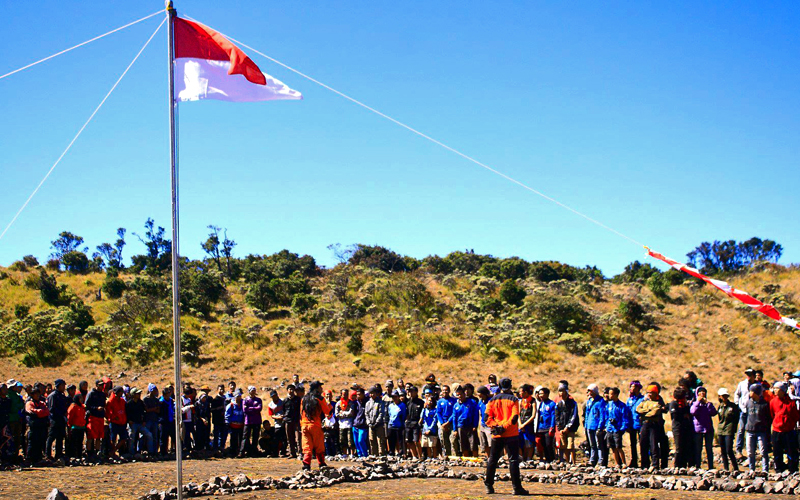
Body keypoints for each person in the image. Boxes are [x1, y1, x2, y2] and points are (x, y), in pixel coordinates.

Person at [484, 377, 528, 496]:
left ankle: (488, 485)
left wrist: (496, 426)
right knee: (513, 460)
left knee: (492, 459)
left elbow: (486, 418)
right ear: (510, 386)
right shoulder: (514, 400)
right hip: (511, 434)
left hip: (497, 434)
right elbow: (514, 418)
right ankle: (516, 487)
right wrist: (504, 427)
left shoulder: (492, 400)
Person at [300, 381, 331, 470]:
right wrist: (328, 404)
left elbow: (300, 413)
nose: (322, 389)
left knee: (307, 445)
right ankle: (321, 463)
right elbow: (327, 412)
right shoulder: (320, 399)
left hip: (304, 425)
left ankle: (306, 464)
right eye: (320, 387)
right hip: (315, 425)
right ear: (316, 388)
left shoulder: (304, 399)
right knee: (319, 445)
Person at [769, 381, 799, 473]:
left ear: (782, 390)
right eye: (774, 388)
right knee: (777, 452)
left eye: (776, 388)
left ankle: (792, 470)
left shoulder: (791, 403)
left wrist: (790, 425)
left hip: (789, 431)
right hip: (777, 431)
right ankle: (779, 470)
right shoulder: (773, 402)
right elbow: (772, 414)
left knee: (791, 451)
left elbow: (795, 416)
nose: (774, 390)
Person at [636, 384, 666, 469]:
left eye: (651, 393)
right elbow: (638, 409)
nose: (649, 394)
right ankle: (644, 464)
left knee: (653, 444)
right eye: (648, 392)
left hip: (653, 425)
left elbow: (654, 413)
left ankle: (655, 464)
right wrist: (648, 410)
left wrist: (644, 413)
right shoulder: (644, 402)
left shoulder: (658, 403)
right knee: (643, 443)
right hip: (644, 424)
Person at [745, 383, 770, 471]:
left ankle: (765, 470)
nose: (749, 393)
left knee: (763, 452)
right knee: (750, 452)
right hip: (750, 430)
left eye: (751, 391)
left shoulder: (765, 404)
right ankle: (752, 470)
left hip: (761, 431)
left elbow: (768, 419)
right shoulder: (748, 403)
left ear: (755, 392)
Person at [690, 386, 717, 469]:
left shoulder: (708, 404)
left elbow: (713, 412)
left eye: (703, 392)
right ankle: (698, 466)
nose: (702, 393)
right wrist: (698, 402)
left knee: (709, 449)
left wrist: (708, 403)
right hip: (698, 430)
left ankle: (711, 466)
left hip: (708, 429)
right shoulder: (694, 403)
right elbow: (693, 411)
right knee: (698, 448)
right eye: (700, 392)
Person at [45, 378, 70, 461]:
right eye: (62, 385)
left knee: (60, 437)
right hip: (54, 419)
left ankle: (58, 454)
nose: (64, 387)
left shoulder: (62, 396)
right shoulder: (53, 396)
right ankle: (48, 454)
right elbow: (51, 409)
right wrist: (60, 414)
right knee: (51, 437)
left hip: (61, 420)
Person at [604, 387, 630, 467]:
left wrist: (622, 429)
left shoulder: (622, 406)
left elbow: (625, 418)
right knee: (612, 448)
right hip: (610, 429)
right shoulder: (609, 404)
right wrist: (606, 425)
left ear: (616, 394)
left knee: (619, 447)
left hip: (617, 429)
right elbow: (606, 416)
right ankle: (617, 463)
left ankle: (624, 463)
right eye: (609, 393)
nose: (610, 395)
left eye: (611, 394)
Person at [451, 385, 479, 457]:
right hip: (461, 426)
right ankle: (466, 458)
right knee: (463, 444)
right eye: (458, 395)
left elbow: (476, 415)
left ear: (464, 394)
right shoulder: (456, 405)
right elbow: (454, 418)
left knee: (473, 444)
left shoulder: (472, 402)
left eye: (461, 394)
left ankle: (475, 457)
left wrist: (475, 425)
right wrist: (455, 429)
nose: (460, 396)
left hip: (470, 426)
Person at [668, 387, 693, 468]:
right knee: (679, 447)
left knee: (685, 446)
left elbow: (688, 413)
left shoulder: (685, 404)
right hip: (677, 427)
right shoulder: (674, 404)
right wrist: (683, 414)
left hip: (686, 427)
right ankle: (677, 465)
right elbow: (675, 416)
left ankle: (684, 464)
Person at [716, 387, 740, 471]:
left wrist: (734, 429)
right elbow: (719, 418)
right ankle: (726, 468)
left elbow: (736, 419)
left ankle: (735, 468)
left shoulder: (733, 406)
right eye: (723, 396)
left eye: (726, 396)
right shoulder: (720, 407)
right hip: (721, 430)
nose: (724, 397)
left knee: (729, 449)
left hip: (729, 430)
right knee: (723, 451)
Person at [734, 368, 756, 457]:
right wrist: (737, 404)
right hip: (743, 410)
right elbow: (737, 394)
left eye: (750, 374)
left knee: (752, 430)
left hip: (753, 411)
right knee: (741, 429)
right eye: (747, 374)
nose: (748, 376)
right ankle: (738, 449)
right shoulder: (742, 384)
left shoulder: (757, 385)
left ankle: (751, 449)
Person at [555, 383, 579, 464]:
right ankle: (568, 462)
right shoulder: (559, 404)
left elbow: (573, 416)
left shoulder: (572, 403)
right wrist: (560, 428)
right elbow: (557, 417)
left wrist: (568, 427)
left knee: (570, 445)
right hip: (562, 428)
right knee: (564, 445)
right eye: (559, 391)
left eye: (562, 391)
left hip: (570, 428)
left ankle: (574, 462)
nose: (561, 393)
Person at [25, 387, 50, 464]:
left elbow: (47, 411)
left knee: (40, 442)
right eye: (36, 394)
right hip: (33, 426)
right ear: (32, 395)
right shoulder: (29, 403)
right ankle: (29, 459)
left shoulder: (42, 403)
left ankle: (38, 458)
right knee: (32, 443)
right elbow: (31, 411)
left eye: (38, 393)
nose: (38, 395)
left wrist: (39, 412)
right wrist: (40, 412)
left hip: (41, 426)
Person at [583, 384, 605, 466]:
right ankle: (592, 460)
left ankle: (600, 460)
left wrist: (600, 426)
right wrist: (586, 424)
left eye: (589, 391)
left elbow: (602, 415)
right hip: (589, 425)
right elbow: (587, 414)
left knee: (599, 444)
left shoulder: (600, 401)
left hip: (596, 426)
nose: (588, 393)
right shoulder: (589, 401)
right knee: (592, 445)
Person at [126, 388, 153, 455]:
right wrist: (129, 420)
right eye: (137, 394)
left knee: (149, 435)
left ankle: (151, 452)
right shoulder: (129, 403)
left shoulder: (140, 403)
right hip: (133, 424)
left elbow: (144, 412)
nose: (139, 395)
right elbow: (127, 413)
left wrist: (144, 421)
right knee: (132, 438)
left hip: (140, 424)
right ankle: (131, 453)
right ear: (133, 394)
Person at [535, 387, 557, 462]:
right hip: (541, 427)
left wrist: (552, 427)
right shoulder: (541, 404)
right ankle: (546, 459)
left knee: (549, 445)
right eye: (539, 394)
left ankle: (551, 459)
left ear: (547, 394)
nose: (540, 395)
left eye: (542, 394)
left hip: (548, 428)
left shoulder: (552, 404)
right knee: (543, 445)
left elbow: (553, 416)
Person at [625, 381, 644, 468]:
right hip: (631, 424)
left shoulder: (642, 399)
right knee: (632, 443)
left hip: (640, 424)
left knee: (643, 443)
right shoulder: (629, 400)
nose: (632, 388)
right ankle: (634, 460)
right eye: (631, 386)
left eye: (634, 387)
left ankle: (644, 460)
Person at [436, 385, 458, 457]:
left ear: (449, 391)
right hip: (443, 424)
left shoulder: (454, 400)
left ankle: (455, 455)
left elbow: (454, 412)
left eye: (446, 390)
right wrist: (442, 423)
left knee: (453, 440)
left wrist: (448, 422)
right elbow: (438, 413)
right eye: (443, 390)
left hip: (451, 423)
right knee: (444, 440)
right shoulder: (440, 401)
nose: (445, 391)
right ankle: (447, 455)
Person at [107, 386, 128, 459]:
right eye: (121, 392)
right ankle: (112, 452)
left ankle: (114, 451)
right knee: (113, 438)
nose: (122, 393)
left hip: (122, 421)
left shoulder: (122, 401)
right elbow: (108, 412)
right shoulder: (111, 401)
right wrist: (112, 417)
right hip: (114, 422)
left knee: (124, 438)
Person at [241, 386, 262, 457]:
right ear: (249, 391)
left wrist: (250, 408)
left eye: (254, 390)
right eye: (251, 390)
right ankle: (242, 451)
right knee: (245, 437)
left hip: (257, 421)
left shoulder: (258, 400)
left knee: (255, 437)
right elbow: (245, 410)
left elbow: (259, 408)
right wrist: (254, 409)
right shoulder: (245, 400)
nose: (253, 392)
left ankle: (254, 452)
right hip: (248, 421)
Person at [365, 386, 387, 456]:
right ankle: (374, 454)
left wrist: (377, 422)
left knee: (380, 440)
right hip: (370, 425)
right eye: (370, 393)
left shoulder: (380, 402)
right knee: (371, 440)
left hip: (379, 425)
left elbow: (381, 413)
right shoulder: (368, 403)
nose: (372, 395)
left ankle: (381, 454)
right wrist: (369, 422)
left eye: (373, 393)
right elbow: (366, 413)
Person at [6, 381, 25, 461]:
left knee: (17, 438)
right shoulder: (9, 395)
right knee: (11, 438)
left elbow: (21, 405)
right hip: (11, 420)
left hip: (17, 419)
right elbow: (14, 407)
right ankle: (10, 456)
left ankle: (15, 456)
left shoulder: (17, 395)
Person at [517, 384, 536, 461]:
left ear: (525, 392)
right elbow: (518, 413)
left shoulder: (532, 401)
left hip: (528, 425)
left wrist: (524, 424)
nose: (520, 394)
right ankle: (521, 458)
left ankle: (529, 458)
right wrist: (520, 424)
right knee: (519, 442)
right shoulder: (520, 401)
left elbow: (533, 415)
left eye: (521, 392)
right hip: (520, 425)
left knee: (529, 443)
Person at [405, 386, 424, 459]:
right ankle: (414, 456)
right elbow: (406, 413)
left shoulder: (420, 402)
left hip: (417, 423)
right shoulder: (408, 402)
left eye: (412, 391)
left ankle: (420, 456)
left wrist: (420, 422)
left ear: (416, 392)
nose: (410, 393)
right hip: (409, 423)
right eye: (409, 391)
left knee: (416, 441)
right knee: (409, 441)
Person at [266, 390, 287, 456]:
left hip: (284, 422)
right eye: (273, 396)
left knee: (285, 438)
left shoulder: (283, 402)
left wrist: (283, 416)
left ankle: (283, 452)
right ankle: (275, 453)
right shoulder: (270, 405)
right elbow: (271, 415)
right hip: (277, 424)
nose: (274, 397)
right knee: (276, 439)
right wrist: (278, 418)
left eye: (275, 395)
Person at [335, 389, 355, 455]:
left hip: (349, 424)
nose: (345, 396)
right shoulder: (338, 403)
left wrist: (342, 413)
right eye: (344, 394)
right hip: (341, 424)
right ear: (341, 395)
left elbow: (351, 413)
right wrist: (346, 413)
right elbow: (337, 414)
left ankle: (352, 454)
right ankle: (344, 454)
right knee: (342, 440)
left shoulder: (351, 403)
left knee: (350, 440)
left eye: (346, 394)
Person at [387, 389, 407, 456]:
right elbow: (389, 414)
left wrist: (402, 422)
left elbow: (404, 415)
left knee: (400, 440)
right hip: (391, 425)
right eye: (393, 397)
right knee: (391, 440)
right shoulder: (390, 406)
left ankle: (401, 452)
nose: (394, 398)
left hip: (399, 425)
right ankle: (391, 452)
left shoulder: (402, 405)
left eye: (395, 397)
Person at [66, 394, 86, 459]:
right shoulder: (73, 406)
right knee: (73, 442)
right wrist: (69, 426)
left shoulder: (82, 407)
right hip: (74, 427)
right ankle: (72, 456)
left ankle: (79, 456)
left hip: (81, 427)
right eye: (80, 398)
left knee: (80, 443)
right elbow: (69, 417)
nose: (82, 399)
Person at [225, 389, 245, 456]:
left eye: (239, 396)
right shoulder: (231, 405)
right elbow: (227, 415)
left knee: (241, 439)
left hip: (241, 425)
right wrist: (228, 423)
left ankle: (240, 452)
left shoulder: (243, 404)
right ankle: (233, 452)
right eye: (237, 396)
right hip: (233, 425)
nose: (238, 398)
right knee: (233, 439)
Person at [421, 390, 439, 459]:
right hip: (425, 429)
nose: (430, 402)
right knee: (427, 444)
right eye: (428, 401)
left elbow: (435, 421)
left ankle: (434, 457)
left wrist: (430, 429)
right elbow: (423, 419)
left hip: (432, 430)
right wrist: (424, 408)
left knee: (433, 444)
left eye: (431, 401)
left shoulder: (435, 410)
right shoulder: (425, 410)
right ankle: (429, 457)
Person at [283, 385, 301, 458]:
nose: (291, 391)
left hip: (296, 420)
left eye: (292, 389)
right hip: (288, 420)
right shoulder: (285, 400)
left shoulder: (298, 399)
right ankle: (292, 453)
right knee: (289, 438)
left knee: (298, 438)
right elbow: (284, 410)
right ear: (287, 390)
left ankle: (300, 453)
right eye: (290, 389)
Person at [143, 385, 161, 455]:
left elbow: (158, 410)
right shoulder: (145, 399)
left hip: (155, 420)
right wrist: (154, 409)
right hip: (148, 420)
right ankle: (148, 450)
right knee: (147, 435)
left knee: (155, 436)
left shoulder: (156, 400)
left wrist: (151, 409)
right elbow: (146, 410)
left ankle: (155, 451)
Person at [210, 385, 228, 454]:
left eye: (223, 389)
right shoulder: (215, 399)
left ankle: (222, 447)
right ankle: (215, 448)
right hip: (217, 419)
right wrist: (219, 408)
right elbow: (212, 410)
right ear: (217, 390)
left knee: (223, 434)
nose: (222, 390)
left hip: (224, 419)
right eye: (220, 389)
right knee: (216, 434)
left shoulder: (225, 399)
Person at [159, 386, 176, 455]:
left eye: (169, 393)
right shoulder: (161, 402)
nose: (169, 395)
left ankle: (175, 450)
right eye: (167, 394)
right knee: (163, 438)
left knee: (174, 436)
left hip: (171, 421)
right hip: (163, 422)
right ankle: (163, 452)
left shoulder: (171, 401)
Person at [352, 388, 369, 457]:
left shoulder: (367, 403)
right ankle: (360, 456)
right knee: (356, 442)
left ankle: (365, 455)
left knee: (361, 440)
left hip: (363, 425)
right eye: (357, 395)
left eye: (359, 394)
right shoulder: (356, 403)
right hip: (355, 424)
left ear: (363, 394)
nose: (358, 396)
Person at [476, 386, 492, 458]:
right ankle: (488, 457)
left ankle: (493, 458)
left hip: (489, 425)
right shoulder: (480, 402)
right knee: (484, 443)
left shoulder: (490, 401)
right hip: (482, 425)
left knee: (491, 443)